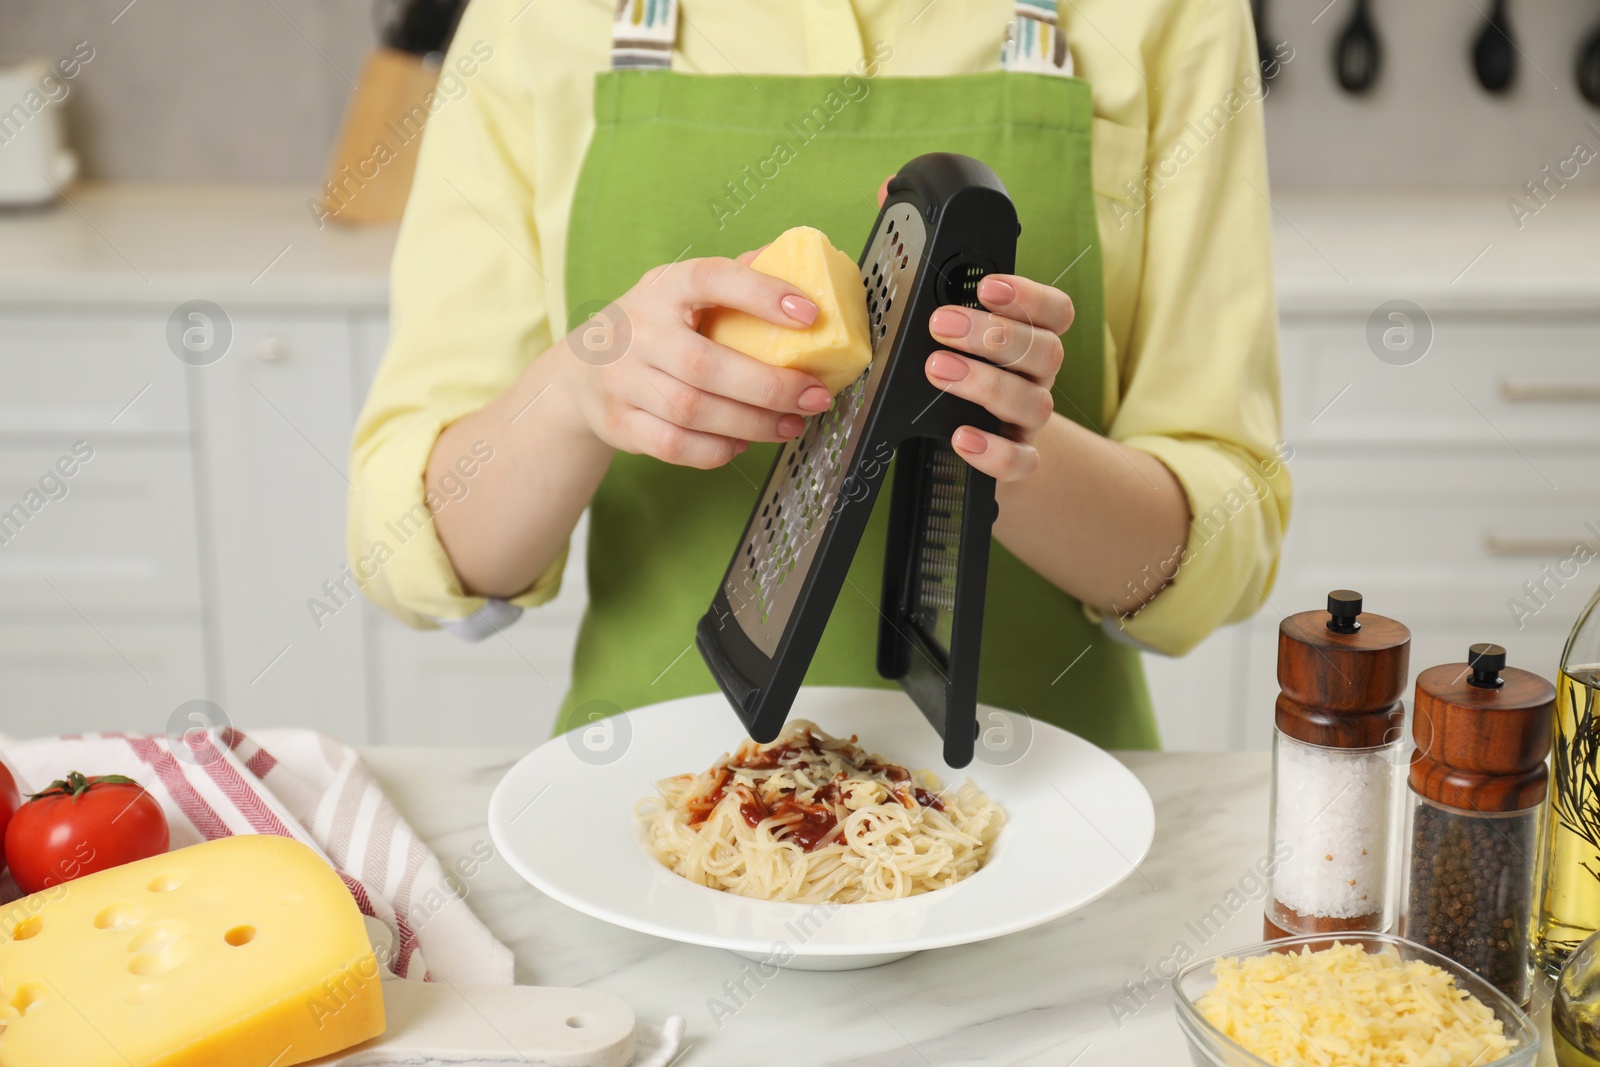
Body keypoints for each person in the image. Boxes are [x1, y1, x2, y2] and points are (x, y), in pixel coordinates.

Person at [348, 0, 1292, 749]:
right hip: (655, 814)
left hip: (1044, 808)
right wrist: (578, 391)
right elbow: (410, 548)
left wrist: (995, 434)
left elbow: (1223, 542)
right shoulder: (531, 18)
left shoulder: (1174, 13)